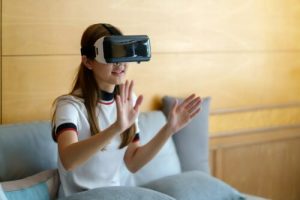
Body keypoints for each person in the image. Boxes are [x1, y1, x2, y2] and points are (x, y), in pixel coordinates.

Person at [51, 23, 202, 197]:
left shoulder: (128, 99)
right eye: (112, 55)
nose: (120, 63)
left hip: (115, 194)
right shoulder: (70, 105)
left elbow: (133, 162)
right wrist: (116, 128)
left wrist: (169, 129)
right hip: (80, 196)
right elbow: (69, 160)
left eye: (123, 54)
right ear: (88, 61)